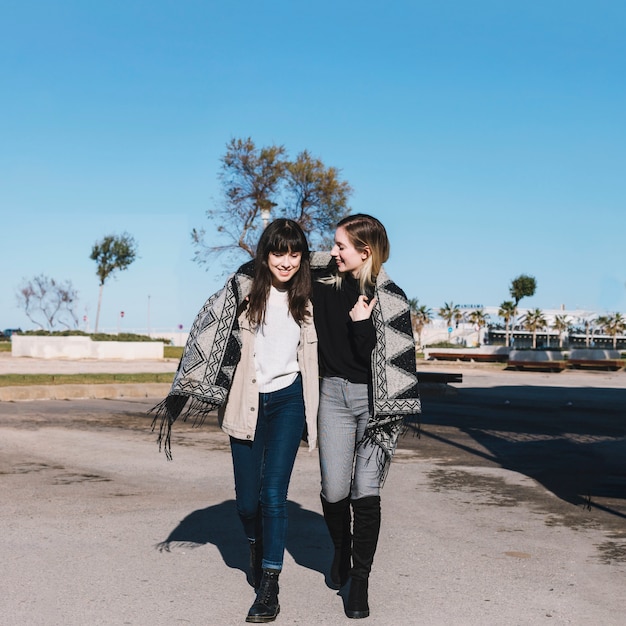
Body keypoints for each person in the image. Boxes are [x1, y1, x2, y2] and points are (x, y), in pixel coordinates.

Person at [152, 219, 319, 624]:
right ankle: (255, 545)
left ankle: (269, 584)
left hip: (289, 400)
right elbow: (204, 333)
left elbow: (346, 261)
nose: (287, 262)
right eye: (279, 252)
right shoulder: (242, 293)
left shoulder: (310, 297)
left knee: (274, 494)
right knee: (247, 502)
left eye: (296, 254)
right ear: (264, 253)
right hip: (246, 401)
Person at [311, 214, 421, 620]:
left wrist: (361, 325)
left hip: (376, 404)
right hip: (331, 397)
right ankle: (341, 546)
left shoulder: (390, 298)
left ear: (365, 252)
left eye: (341, 246)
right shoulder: (321, 281)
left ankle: (360, 581)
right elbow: (280, 259)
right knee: (334, 489)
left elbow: (380, 360)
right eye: (334, 245)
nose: (334, 251)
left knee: (365, 489)